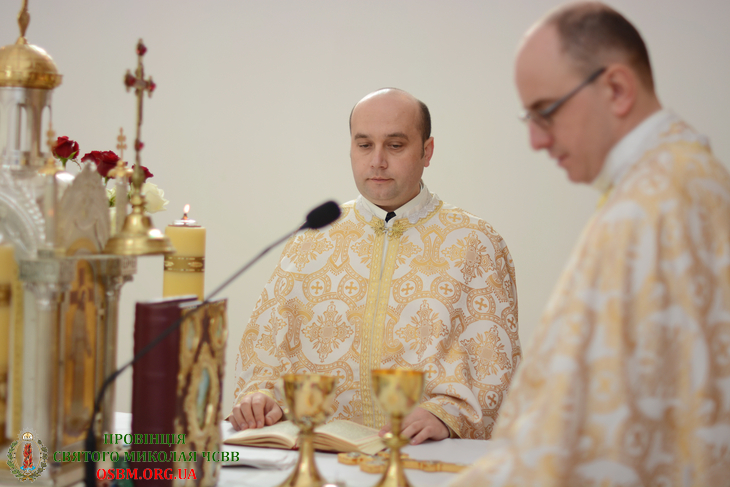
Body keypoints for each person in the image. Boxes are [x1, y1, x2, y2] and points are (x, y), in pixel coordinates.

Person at [454, 2, 730, 485]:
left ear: (617, 89)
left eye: (546, 112)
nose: (536, 141)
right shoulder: (691, 178)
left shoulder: (647, 207)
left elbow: (574, 435)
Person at [230, 88, 520, 445]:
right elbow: (264, 355)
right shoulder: (311, 239)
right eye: (364, 145)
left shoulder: (475, 244)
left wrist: (445, 416)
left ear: (427, 151)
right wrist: (258, 398)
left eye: (395, 145)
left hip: (421, 455)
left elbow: (494, 370)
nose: (377, 161)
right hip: (318, 458)